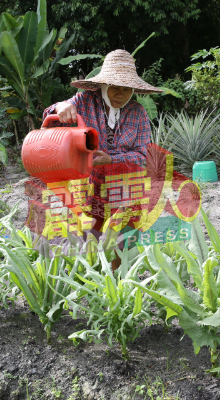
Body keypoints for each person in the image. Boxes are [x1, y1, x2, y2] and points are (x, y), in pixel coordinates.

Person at [43, 49, 162, 269]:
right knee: (90, 238)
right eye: (115, 87)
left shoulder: (138, 113)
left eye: (127, 89)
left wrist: (112, 159)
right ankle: (92, 281)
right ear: (104, 86)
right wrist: (60, 107)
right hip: (89, 187)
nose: (121, 94)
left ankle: (118, 283)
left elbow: (143, 156)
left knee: (122, 240)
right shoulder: (85, 101)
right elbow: (51, 117)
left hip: (125, 187)